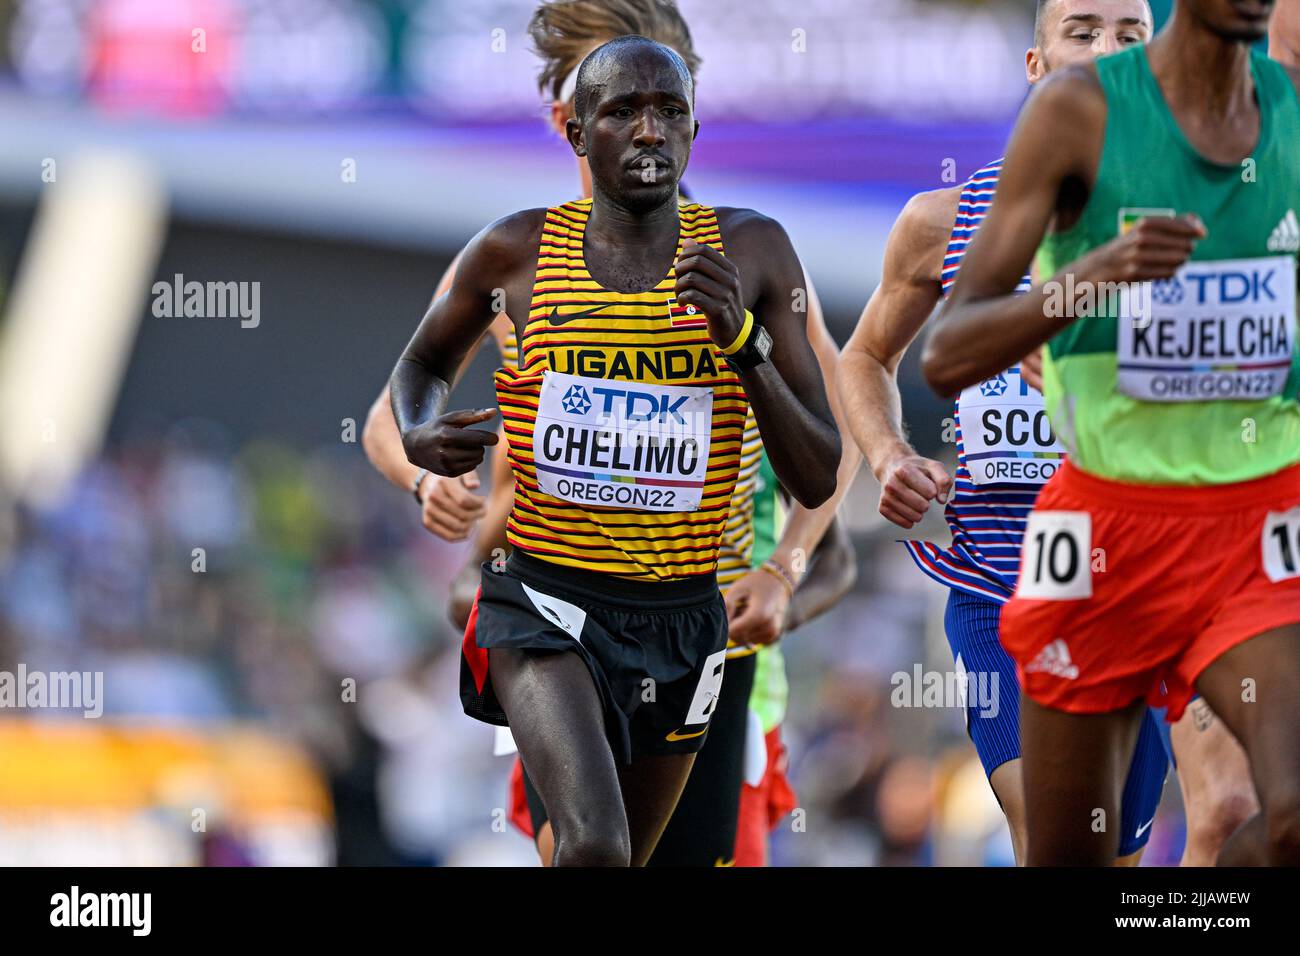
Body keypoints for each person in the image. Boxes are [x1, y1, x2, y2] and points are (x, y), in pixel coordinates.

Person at [364, 0, 859, 867]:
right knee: (591, 844)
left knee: (637, 858)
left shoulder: (749, 253)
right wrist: (426, 465)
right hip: (546, 602)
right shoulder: (517, 252)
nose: (645, 125)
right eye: (616, 102)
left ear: (693, 113)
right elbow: (406, 389)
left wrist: (783, 568)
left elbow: (829, 453)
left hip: (695, 611)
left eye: (665, 103)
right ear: (572, 123)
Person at [924, 0, 1300, 865]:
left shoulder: (1287, 112)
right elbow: (944, 354)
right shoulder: (1080, 110)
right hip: (1102, 530)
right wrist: (1092, 275)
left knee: (1278, 811)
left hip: (1254, 527)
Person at [839, 0, 1167, 866]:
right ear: (1036, 63)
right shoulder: (943, 222)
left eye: (1131, 36)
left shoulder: (1189, 225)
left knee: (1135, 850)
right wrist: (889, 453)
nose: (1107, 53)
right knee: (1050, 835)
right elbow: (865, 354)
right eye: (1084, 31)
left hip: (1147, 583)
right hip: (999, 584)